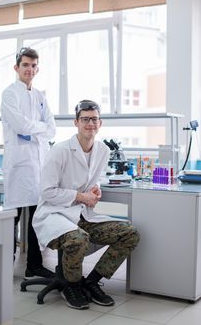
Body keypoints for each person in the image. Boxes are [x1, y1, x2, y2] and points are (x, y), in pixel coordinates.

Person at [33, 100, 140, 309]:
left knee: (130, 233)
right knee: (78, 239)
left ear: (100, 123)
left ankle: (90, 282)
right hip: (55, 215)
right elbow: (47, 191)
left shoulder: (102, 150)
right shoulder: (60, 151)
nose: (90, 123)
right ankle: (71, 285)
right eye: (85, 119)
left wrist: (95, 188)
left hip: (82, 215)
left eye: (94, 119)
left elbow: (92, 177)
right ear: (76, 122)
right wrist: (81, 197)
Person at [0, 47, 56, 278]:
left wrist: (37, 130)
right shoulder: (9, 94)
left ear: (37, 68)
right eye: (25, 65)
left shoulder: (41, 96)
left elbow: (52, 129)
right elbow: (21, 126)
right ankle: (6, 264)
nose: (29, 69)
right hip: (18, 164)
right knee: (11, 217)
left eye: (33, 66)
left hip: (39, 165)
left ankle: (34, 265)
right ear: (17, 67)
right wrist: (39, 129)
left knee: (36, 217)